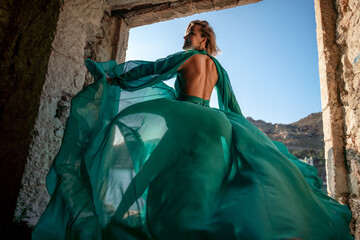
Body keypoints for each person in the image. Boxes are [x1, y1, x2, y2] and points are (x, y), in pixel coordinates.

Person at [32, 20, 354, 240]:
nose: (185, 38)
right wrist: (243, 136)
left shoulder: (188, 57)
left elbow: (151, 72)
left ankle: (117, 220)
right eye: (186, 33)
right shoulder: (219, 69)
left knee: (154, 174)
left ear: (203, 40)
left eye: (190, 34)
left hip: (185, 118)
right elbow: (231, 107)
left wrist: (113, 76)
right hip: (217, 124)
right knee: (205, 188)